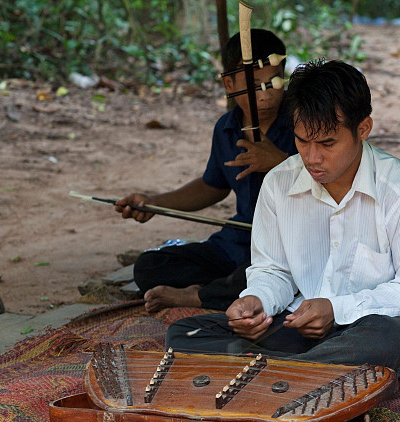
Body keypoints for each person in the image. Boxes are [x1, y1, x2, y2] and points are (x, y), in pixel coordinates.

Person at [164, 59, 400, 378]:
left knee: (391, 341)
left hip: (366, 329)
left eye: (327, 143)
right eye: (302, 141)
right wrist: (259, 301)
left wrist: (336, 309)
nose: (312, 158)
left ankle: (268, 372)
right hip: (299, 326)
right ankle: (303, 375)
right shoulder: (279, 183)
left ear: (363, 129)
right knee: (185, 334)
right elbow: (273, 270)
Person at [115, 29, 297, 313]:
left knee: (283, 276)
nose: (264, 94)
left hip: (285, 249)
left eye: (272, 81)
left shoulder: (303, 123)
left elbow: (333, 182)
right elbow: (213, 186)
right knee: (149, 267)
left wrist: (282, 162)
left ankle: (199, 297)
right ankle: (223, 290)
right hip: (236, 244)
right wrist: (155, 203)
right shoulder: (226, 128)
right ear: (229, 83)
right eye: (251, 83)